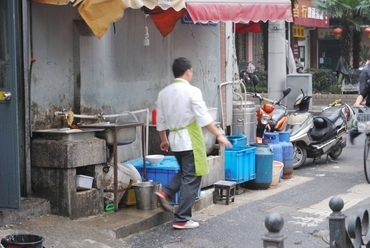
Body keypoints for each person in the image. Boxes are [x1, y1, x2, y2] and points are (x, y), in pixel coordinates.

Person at [154, 57, 232, 229]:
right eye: (192, 71)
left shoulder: (163, 93)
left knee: (185, 173)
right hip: (189, 141)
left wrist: (164, 139)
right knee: (192, 178)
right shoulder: (192, 91)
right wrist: (219, 134)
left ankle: (165, 192)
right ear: (188, 71)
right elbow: (203, 117)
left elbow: (160, 121)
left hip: (174, 140)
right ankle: (182, 218)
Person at [350, 57, 370, 144]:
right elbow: (363, 93)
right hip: (368, 106)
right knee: (365, 125)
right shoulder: (366, 71)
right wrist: (358, 102)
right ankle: (354, 133)